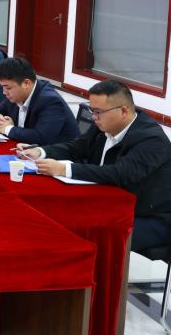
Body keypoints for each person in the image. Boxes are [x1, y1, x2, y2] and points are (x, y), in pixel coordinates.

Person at [17, 80, 171, 251]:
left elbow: (120, 174)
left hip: (148, 217)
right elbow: (77, 147)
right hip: (107, 202)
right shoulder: (104, 125)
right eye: (92, 111)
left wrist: (64, 169)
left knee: (86, 232)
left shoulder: (152, 140)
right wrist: (40, 151)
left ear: (124, 111)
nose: (93, 117)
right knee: (54, 216)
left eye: (98, 112)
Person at [0, 57, 78, 145]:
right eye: (2, 87)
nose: (4, 92)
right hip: (24, 149)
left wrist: (7, 129)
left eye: (8, 88)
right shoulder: (17, 95)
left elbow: (41, 138)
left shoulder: (50, 101)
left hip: (57, 153)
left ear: (26, 83)